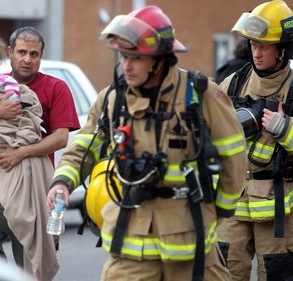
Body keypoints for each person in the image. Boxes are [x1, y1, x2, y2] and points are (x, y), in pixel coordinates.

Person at [47, 6, 246, 281]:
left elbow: (233, 156)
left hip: (189, 239)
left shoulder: (201, 95)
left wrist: (220, 210)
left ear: (160, 59)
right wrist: (62, 182)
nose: (126, 65)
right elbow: (84, 145)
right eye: (123, 56)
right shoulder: (112, 99)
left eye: (136, 58)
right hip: (130, 235)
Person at [0, 27, 80, 281]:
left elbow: (61, 137)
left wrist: (20, 152)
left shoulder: (56, 88)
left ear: (41, 56)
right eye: (22, 52)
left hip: (32, 190)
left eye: (34, 54)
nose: (27, 59)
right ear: (9, 53)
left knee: (30, 262)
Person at [216, 1, 293, 280]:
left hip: (277, 211)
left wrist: (283, 128)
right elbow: (207, 130)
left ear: (282, 49)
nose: (256, 53)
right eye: (253, 45)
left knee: (275, 275)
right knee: (225, 273)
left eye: (264, 46)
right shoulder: (233, 83)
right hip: (234, 203)